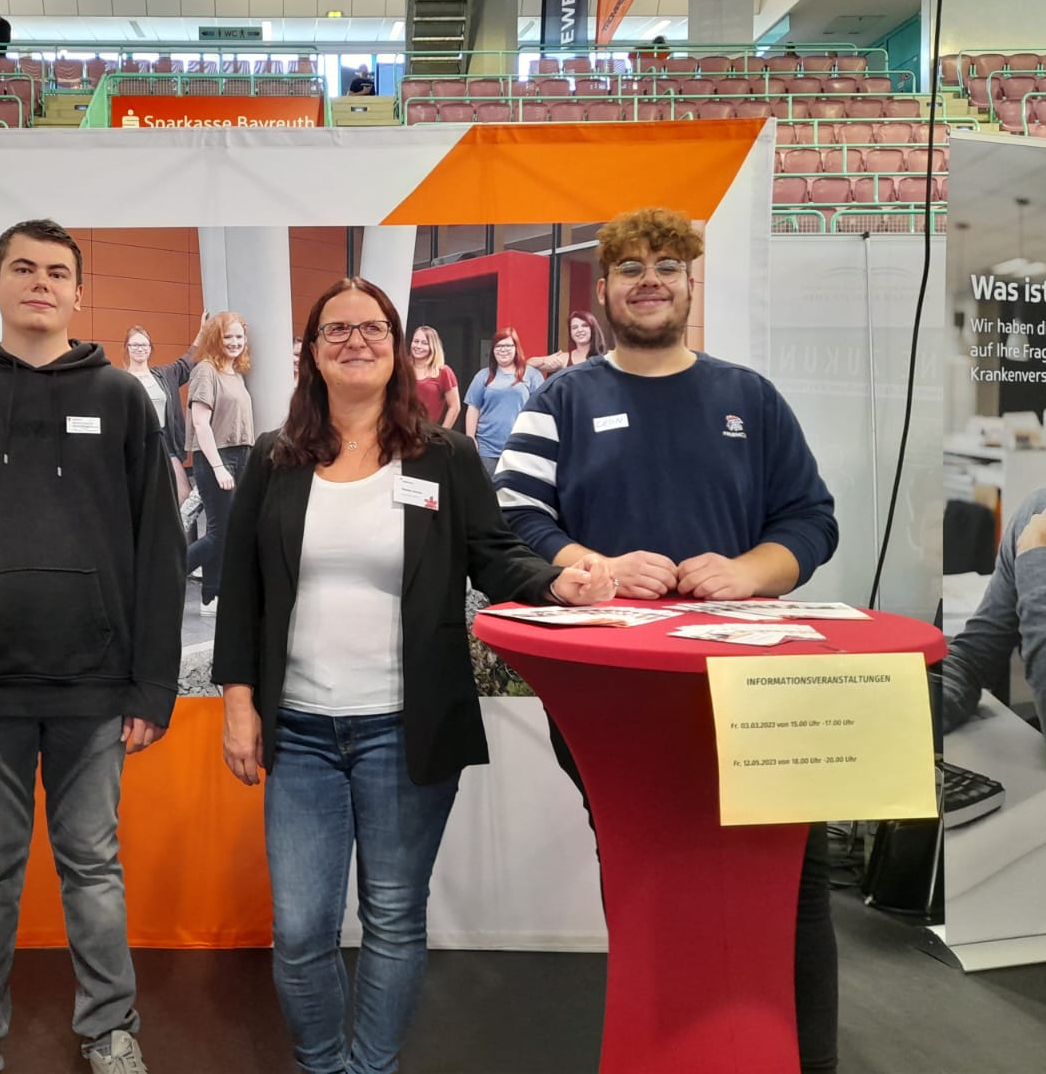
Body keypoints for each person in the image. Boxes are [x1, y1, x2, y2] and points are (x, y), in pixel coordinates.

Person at [213, 277, 612, 1074]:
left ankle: (372, 1068)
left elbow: (494, 554)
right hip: (302, 731)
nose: (355, 341)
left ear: (397, 347)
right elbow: (243, 588)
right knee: (299, 931)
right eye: (337, 331)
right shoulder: (275, 459)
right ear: (312, 355)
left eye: (373, 329)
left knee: (394, 918)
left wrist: (552, 579)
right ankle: (323, 1064)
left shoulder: (444, 455)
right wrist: (238, 702)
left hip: (406, 727)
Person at [494, 206, 839, 1073]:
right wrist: (594, 563)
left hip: (755, 681)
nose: (650, 279)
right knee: (646, 872)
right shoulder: (560, 399)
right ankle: (668, 1046)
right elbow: (514, 518)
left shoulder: (749, 398)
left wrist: (749, 572)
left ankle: (802, 1057)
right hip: (616, 692)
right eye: (631, 267)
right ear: (602, 289)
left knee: (791, 880)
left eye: (668, 265)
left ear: (691, 283)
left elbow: (810, 519)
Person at [0, 218, 186, 1074]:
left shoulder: (124, 398)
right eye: (22, 268)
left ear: (77, 292)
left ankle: (110, 1030)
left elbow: (160, 551)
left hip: (95, 690)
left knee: (93, 869)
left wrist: (150, 688)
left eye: (57, 271)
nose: (40, 282)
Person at [939, 355, 1046, 773]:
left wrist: (1036, 563)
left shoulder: (1037, 543)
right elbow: (974, 657)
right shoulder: (1042, 515)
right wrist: (905, 723)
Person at [186, 311, 255, 617]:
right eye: (228, 336)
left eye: (239, 336)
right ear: (216, 338)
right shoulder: (205, 370)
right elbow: (201, 424)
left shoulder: (236, 374)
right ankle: (163, 577)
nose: (234, 342)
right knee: (219, 533)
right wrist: (218, 467)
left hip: (241, 455)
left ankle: (210, 597)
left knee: (224, 531)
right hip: (217, 456)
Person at [123, 318, 205, 507]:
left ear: (150, 348)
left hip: (165, 443)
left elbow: (189, 360)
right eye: (134, 345)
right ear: (127, 347)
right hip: (136, 446)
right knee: (141, 499)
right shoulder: (120, 380)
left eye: (144, 344)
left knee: (184, 496)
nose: (140, 349)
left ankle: (183, 538)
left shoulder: (166, 374)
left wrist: (203, 331)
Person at [462, 327, 543, 478]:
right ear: (493, 350)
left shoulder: (532, 375)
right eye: (498, 346)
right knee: (488, 495)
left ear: (516, 348)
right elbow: (473, 408)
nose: (503, 350)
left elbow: (539, 411)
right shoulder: (483, 376)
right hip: (487, 449)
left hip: (520, 447)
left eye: (508, 346)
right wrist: (470, 438)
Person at [527, 309, 607, 376]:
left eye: (584, 325)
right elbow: (527, 366)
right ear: (571, 333)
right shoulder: (564, 359)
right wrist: (545, 360)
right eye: (574, 327)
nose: (579, 330)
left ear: (593, 329)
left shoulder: (606, 357)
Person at [410, 324, 460, 427]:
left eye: (424, 343)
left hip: (426, 434)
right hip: (398, 431)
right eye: (416, 341)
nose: (418, 346)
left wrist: (442, 434)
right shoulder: (402, 367)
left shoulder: (443, 372)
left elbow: (454, 407)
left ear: (433, 346)